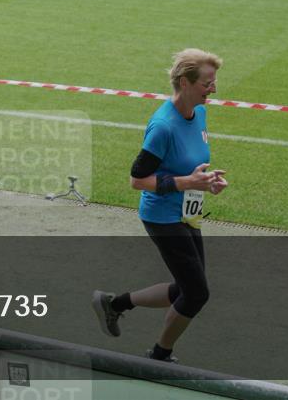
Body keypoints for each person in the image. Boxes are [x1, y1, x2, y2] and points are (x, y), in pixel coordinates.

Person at [92, 48, 229, 363]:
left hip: (186, 212)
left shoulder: (200, 114)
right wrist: (186, 183)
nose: (214, 89)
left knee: (187, 287)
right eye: (207, 83)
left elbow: (187, 164)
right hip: (162, 216)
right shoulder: (163, 127)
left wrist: (206, 181)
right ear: (184, 82)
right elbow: (137, 180)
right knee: (196, 293)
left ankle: (113, 305)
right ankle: (159, 355)